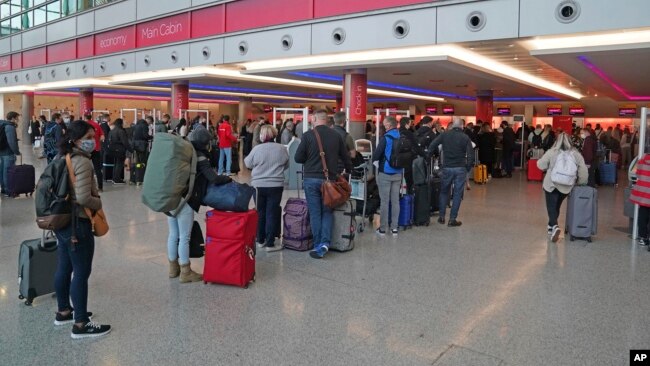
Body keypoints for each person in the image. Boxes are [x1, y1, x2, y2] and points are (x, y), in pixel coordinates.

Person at [53, 120, 111, 339]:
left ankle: (64, 310)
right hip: (78, 224)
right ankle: (81, 324)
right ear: (76, 140)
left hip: (62, 221)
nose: (92, 141)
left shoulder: (62, 157)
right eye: (87, 137)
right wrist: (99, 203)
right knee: (81, 272)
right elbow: (85, 197)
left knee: (64, 266)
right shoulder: (82, 162)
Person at [167, 128, 232, 282]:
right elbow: (213, 178)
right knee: (184, 237)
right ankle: (185, 271)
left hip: (170, 196)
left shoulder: (182, 151)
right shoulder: (199, 155)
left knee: (173, 234)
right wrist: (226, 179)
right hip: (186, 199)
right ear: (204, 142)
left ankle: (172, 268)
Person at [295, 110, 352, 259]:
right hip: (329, 181)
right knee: (327, 211)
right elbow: (346, 158)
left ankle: (318, 244)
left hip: (311, 179)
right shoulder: (336, 136)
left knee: (315, 212)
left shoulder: (308, 136)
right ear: (327, 120)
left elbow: (298, 158)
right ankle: (325, 243)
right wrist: (346, 171)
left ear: (314, 119)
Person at [537, 133, 588, 243]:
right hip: (566, 186)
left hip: (551, 184)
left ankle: (554, 226)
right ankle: (550, 227)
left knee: (551, 207)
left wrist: (547, 166)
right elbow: (583, 171)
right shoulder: (576, 154)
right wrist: (581, 182)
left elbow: (540, 165)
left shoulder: (552, 152)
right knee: (556, 206)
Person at [244, 125, 289, 252]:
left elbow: (247, 163)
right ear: (275, 135)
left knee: (260, 212)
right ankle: (270, 243)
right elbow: (286, 164)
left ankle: (260, 240)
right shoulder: (282, 149)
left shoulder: (257, 149)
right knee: (272, 212)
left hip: (258, 186)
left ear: (262, 136)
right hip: (276, 185)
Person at [427, 117, 474, 227]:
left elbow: (433, 145)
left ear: (452, 126)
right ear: (462, 126)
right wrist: (467, 167)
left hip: (447, 167)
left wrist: (429, 156)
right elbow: (471, 155)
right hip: (460, 168)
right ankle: (452, 219)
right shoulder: (465, 137)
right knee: (457, 194)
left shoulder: (445, 134)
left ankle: (441, 217)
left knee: (444, 192)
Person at [372, 116, 404, 235]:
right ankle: (394, 228)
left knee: (384, 201)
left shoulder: (385, 138)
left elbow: (376, 155)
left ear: (389, 125)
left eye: (385, 124)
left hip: (385, 172)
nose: (383, 127)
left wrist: (376, 165)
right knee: (395, 201)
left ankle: (383, 228)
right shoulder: (401, 137)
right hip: (398, 172)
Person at [399, 117, 423, 193]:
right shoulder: (409, 134)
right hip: (408, 160)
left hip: (398, 161)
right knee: (409, 181)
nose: (411, 125)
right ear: (406, 124)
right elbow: (416, 147)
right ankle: (408, 199)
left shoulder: (396, 132)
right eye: (410, 123)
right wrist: (424, 155)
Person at [631, 153, 650, 248]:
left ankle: (643, 237)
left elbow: (637, 173)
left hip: (643, 191)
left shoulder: (643, 158)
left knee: (642, 214)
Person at [0, 111, 21, 197]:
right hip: (8, 153)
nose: (18, 120)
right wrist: (17, 152)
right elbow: (11, 142)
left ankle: (4, 189)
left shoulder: (2, 124)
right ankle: (8, 191)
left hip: (1, 151)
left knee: (2, 171)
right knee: (7, 172)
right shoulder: (10, 127)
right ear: (13, 118)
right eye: (17, 118)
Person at [84, 114, 105, 191]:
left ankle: (86, 188)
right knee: (97, 169)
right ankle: (100, 187)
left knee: (84, 168)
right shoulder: (97, 125)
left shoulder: (83, 125)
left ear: (84, 117)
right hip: (96, 149)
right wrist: (97, 142)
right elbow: (102, 137)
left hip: (85, 150)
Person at [107, 118, 131, 185]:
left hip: (113, 149)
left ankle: (114, 178)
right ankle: (117, 179)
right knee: (119, 164)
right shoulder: (121, 131)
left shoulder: (112, 130)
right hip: (120, 149)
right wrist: (130, 149)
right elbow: (125, 142)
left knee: (116, 164)